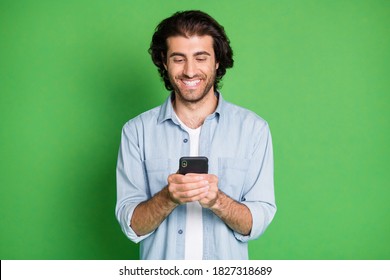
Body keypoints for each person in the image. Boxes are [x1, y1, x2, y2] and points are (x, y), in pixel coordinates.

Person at [116, 10, 276, 260]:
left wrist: (217, 201)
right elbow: (132, 225)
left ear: (217, 61)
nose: (190, 71)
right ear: (164, 61)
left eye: (201, 58)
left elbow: (255, 223)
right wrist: (168, 197)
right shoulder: (136, 131)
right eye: (178, 59)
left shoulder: (253, 130)